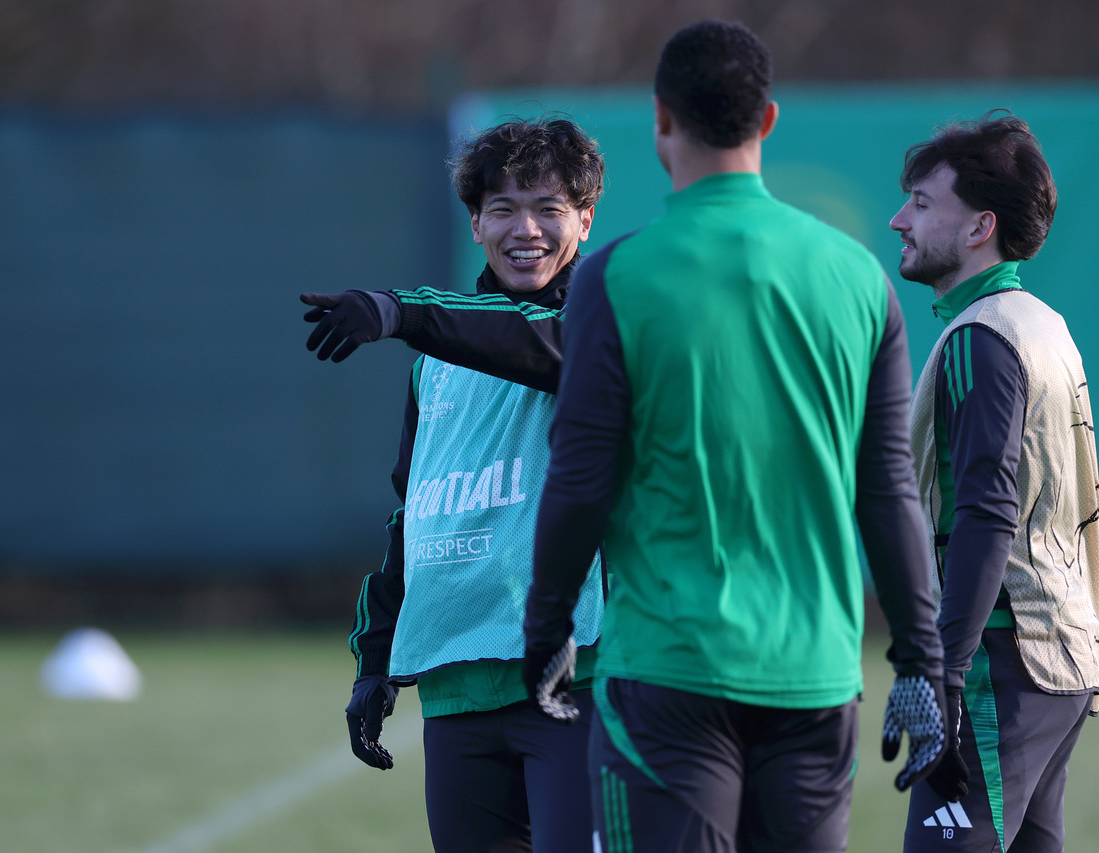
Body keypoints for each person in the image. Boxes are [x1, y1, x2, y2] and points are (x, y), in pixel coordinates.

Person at [519, 20, 948, 853]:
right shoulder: (859, 277)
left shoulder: (616, 275)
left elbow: (580, 478)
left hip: (668, 668)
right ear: (769, 120)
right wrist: (921, 661)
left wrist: (546, 629)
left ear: (660, 119)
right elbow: (888, 490)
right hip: (816, 677)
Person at [301, 117, 607, 853]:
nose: (525, 230)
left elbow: (540, 340)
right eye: (503, 209)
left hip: (579, 677)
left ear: (585, 220)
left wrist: (399, 310)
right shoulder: (434, 365)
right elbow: (412, 516)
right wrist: (376, 659)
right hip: (455, 685)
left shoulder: (603, 323)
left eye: (548, 208)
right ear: (475, 223)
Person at [889, 112, 1099, 852]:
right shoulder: (1044, 324)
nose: (899, 220)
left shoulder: (979, 337)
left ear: (980, 226)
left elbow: (986, 514)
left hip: (1000, 660)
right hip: (1062, 654)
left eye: (922, 203)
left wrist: (943, 673)